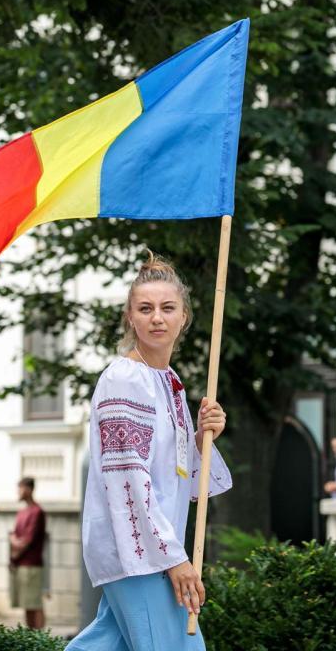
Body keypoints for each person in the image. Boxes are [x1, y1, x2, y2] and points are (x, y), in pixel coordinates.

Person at [67, 253, 232, 651]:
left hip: (150, 548)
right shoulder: (125, 379)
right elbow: (128, 477)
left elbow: (172, 474)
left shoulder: (169, 381)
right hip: (140, 553)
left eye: (167, 308)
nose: (157, 317)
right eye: (146, 309)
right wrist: (173, 559)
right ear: (131, 318)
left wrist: (202, 439)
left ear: (183, 318)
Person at [9, 478, 46, 629]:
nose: (18, 492)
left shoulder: (37, 512)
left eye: (20, 488)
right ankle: (31, 638)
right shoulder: (21, 512)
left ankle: (40, 639)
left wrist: (15, 552)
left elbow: (27, 540)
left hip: (32, 564)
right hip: (20, 564)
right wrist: (14, 549)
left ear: (29, 489)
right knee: (26, 604)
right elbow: (14, 535)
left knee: (35, 603)